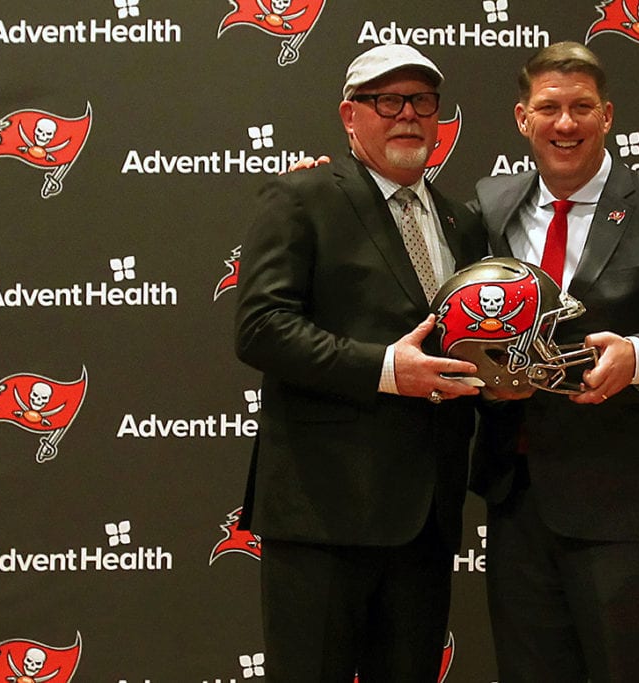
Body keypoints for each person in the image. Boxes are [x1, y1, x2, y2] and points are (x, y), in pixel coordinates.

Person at [470, 41, 639, 682]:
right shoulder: (489, 207)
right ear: (522, 119)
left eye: (581, 108)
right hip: (519, 499)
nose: (564, 124)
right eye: (548, 108)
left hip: (631, 507)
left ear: (607, 115)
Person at [233, 44, 487, 682]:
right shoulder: (303, 196)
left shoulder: (461, 221)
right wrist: (385, 370)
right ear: (351, 116)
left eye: (423, 102)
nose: (408, 115)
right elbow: (261, 329)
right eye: (387, 101)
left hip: (427, 519)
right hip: (325, 514)